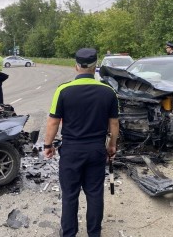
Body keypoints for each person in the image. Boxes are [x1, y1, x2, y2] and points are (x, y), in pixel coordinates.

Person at [43, 48, 119, 237]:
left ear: (76, 66)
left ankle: (69, 233)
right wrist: (111, 146)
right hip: (96, 150)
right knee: (94, 194)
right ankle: (94, 233)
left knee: (70, 195)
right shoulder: (108, 92)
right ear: (96, 67)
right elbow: (114, 123)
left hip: (71, 151)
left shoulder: (63, 90)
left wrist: (48, 145)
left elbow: (53, 121)